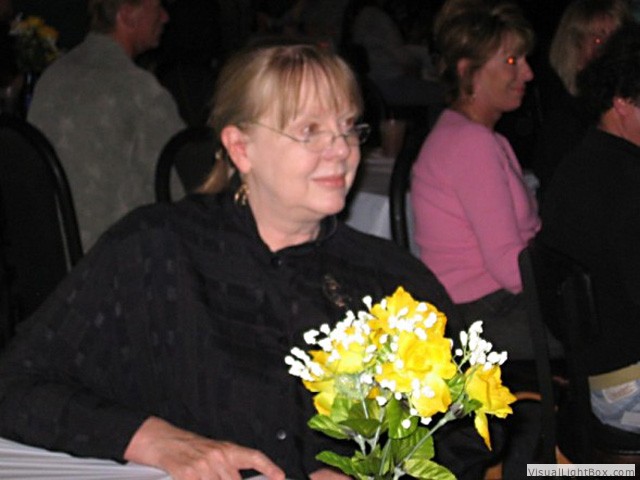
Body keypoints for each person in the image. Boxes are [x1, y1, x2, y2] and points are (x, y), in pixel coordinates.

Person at [0, 43, 499, 480]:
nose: (342, 151)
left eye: (348, 128)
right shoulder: (159, 251)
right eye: (310, 131)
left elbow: (470, 426)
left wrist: (379, 472)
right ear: (241, 148)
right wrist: (152, 439)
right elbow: (15, 385)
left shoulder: (388, 280)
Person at [539, 23, 640, 436]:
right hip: (624, 390)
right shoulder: (623, 182)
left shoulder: (583, 162)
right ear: (622, 101)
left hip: (594, 377)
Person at [27, 0, 185, 250]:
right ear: (127, 15)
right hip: (117, 260)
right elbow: (184, 191)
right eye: (157, 8)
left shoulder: (51, 78)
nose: (165, 17)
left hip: (51, 255)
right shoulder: (138, 90)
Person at [532, 0, 632, 198]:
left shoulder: (628, 111)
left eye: (616, 41)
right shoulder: (566, 122)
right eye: (598, 41)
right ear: (574, 48)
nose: (609, 52)